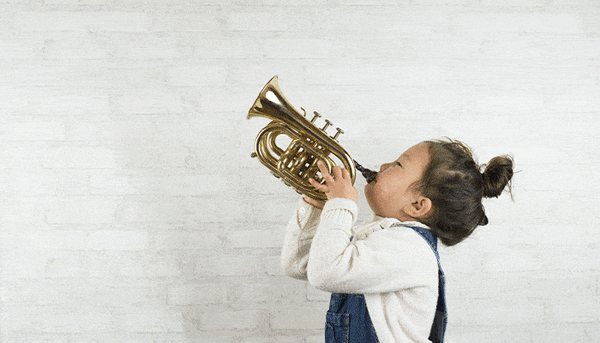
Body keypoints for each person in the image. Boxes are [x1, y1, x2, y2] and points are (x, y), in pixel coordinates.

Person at [280, 138, 514, 343]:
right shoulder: (381, 235)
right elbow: (298, 265)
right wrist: (316, 207)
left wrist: (341, 204)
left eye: (398, 164)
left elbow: (325, 273)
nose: (383, 165)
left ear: (417, 205)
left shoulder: (409, 249)